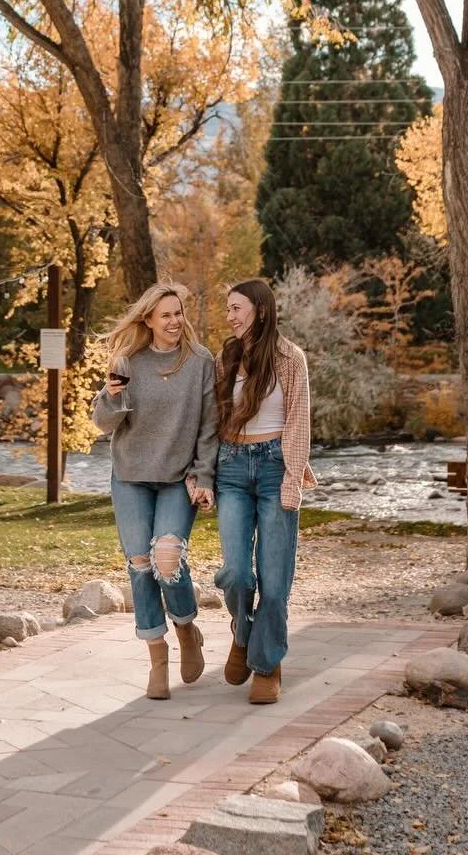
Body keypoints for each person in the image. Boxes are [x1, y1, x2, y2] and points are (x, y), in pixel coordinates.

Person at [91, 282, 219, 700]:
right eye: (165, 315)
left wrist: (203, 475)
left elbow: (209, 426)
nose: (174, 321)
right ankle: (157, 655)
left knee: (167, 557)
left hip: (178, 478)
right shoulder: (128, 361)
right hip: (130, 476)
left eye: (178, 313)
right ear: (148, 320)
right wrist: (109, 398)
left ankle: (186, 628)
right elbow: (105, 424)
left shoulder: (201, 362)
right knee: (141, 562)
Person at [213, 278, 315, 705]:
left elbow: (298, 419)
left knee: (275, 580)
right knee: (237, 573)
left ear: (259, 308)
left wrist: (293, 480)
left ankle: (267, 663)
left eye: (236, 308)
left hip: (275, 466)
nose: (230, 316)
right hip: (232, 467)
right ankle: (243, 631)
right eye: (229, 309)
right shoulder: (227, 357)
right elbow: (213, 420)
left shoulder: (290, 358)